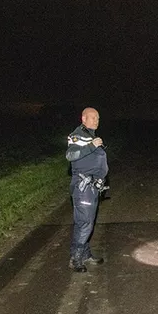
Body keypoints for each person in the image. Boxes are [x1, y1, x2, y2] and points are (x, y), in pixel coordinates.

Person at [66, 107, 108, 272]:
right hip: (83, 187)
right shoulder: (78, 136)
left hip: (92, 187)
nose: (96, 120)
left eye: (98, 118)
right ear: (83, 118)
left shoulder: (91, 135)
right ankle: (75, 259)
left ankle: (85, 254)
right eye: (92, 117)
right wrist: (91, 145)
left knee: (86, 223)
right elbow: (71, 155)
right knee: (85, 224)